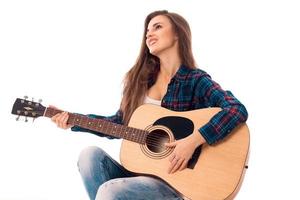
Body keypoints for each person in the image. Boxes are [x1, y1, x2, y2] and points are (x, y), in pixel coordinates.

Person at [51, 10, 248, 200]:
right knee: (89, 156)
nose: (149, 34)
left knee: (110, 191)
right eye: (147, 31)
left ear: (178, 34)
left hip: (173, 184)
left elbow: (236, 110)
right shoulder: (140, 82)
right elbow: (118, 124)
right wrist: (72, 119)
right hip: (136, 176)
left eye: (157, 27)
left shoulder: (195, 80)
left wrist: (194, 140)